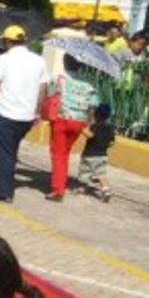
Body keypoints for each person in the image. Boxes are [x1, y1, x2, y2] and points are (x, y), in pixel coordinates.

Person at [0, 26, 47, 203]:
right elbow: (42, 88)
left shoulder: (2, 60)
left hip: (6, 113)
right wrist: (37, 111)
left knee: (4, 153)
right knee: (10, 150)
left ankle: (3, 191)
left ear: (7, 41)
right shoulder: (39, 61)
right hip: (26, 115)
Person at [45, 55, 98, 201]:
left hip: (61, 119)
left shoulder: (60, 78)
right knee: (65, 152)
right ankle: (60, 180)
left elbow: (49, 94)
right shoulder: (89, 83)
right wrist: (88, 123)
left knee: (58, 154)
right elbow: (93, 105)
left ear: (64, 63)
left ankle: (58, 189)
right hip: (78, 122)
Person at [78, 103, 115, 202]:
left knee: (85, 172)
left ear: (96, 115)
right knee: (101, 174)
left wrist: (81, 129)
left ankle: (81, 189)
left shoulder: (95, 125)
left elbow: (90, 136)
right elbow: (112, 143)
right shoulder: (110, 128)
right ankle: (106, 190)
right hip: (102, 155)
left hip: (90, 154)